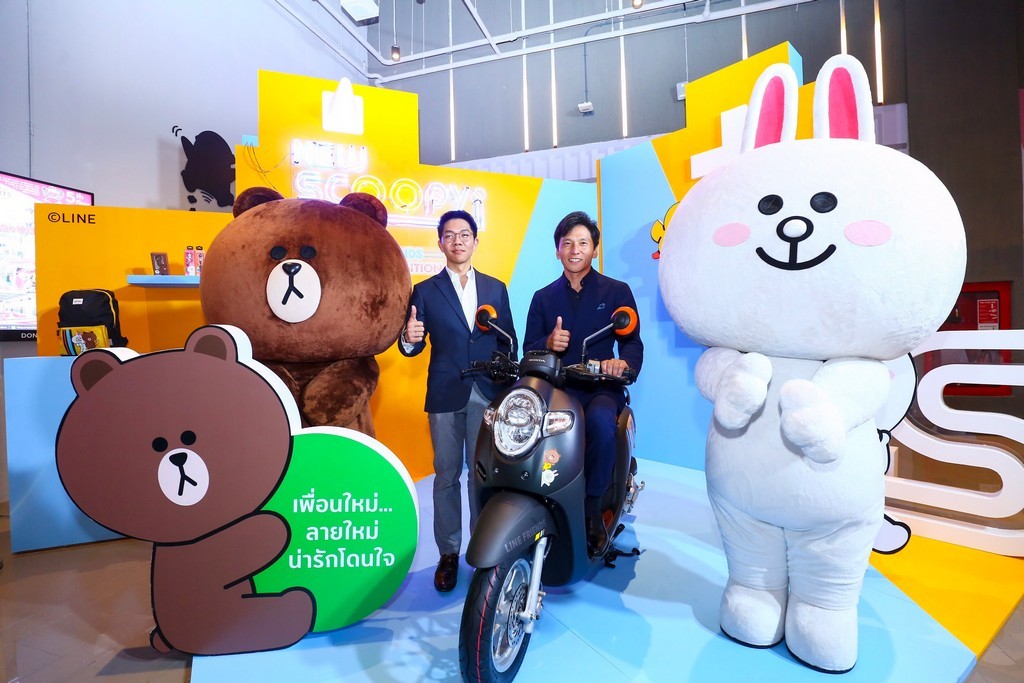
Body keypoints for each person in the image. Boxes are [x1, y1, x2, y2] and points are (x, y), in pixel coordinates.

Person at [399, 210, 518, 592]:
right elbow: (412, 344)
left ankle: (483, 549)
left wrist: (506, 383)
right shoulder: (425, 291)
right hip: (445, 393)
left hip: (487, 393)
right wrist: (409, 338)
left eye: (464, 234)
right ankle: (448, 554)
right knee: (447, 475)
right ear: (440, 243)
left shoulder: (496, 288)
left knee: (482, 476)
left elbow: (508, 342)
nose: (457, 241)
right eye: (449, 235)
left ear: (475, 241)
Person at [524, 210, 643, 553]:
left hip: (601, 388)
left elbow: (632, 343)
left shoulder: (616, 291)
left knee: (602, 425)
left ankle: (593, 510)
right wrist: (548, 342)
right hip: (558, 388)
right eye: (567, 243)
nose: (575, 250)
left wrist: (623, 364)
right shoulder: (543, 297)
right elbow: (527, 348)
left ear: (594, 249)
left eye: (583, 243)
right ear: (557, 250)